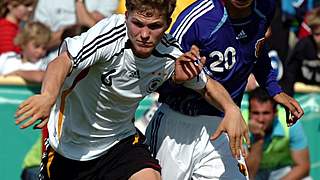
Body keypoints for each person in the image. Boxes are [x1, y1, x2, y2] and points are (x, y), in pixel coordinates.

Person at [14, 0, 245, 179]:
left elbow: (208, 85)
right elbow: (62, 62)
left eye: (154, 26)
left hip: (119, 144)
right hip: (69, 148)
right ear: (126, 17)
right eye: (138, 24)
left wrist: (231, 109)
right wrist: (47, 96)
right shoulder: (110, 35)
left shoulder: (170, 54)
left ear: (167, 23)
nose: (144, 34)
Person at [145, 0, 304, 179]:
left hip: (223, 123)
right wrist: (178, 78)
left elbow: (256, 49)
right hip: (178, 125)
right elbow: (160, 73)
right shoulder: (197, 19)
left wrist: (275, 89)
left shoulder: (265, 8)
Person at [245, 87, 310, 180]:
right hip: (255, 173)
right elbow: (249, 174)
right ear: (249, 112)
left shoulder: (290, 123)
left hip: (282, 171)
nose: (260, 119)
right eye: (255, 113)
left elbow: (303, 167)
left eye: (266, 113)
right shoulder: (240, 125)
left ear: (275, 113)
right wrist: (258, 138)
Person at [33, 0, 119, 65]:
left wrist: (79, 2)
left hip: (90, 67)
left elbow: (98, 33)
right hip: (52, 64)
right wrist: (72, 32)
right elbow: (38, 41)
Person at [281, 7, 320, 96]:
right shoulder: (303, 46)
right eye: (316, 34)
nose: (319, 39)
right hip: (302, 97)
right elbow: (289, 75)